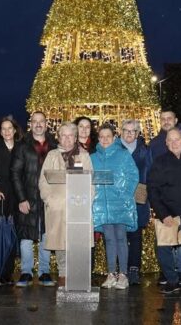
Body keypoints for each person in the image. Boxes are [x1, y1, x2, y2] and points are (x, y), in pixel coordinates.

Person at [39, 122, 94, 287]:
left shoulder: (83, 156)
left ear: (75, 137)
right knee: (60, 243)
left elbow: (92, 181)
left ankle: (77, 274)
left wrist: (87, 201)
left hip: (78, 207)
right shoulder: (51, 155)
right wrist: (49, 199)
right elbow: (43, 180)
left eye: (71, 135)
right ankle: (63, 274)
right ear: (59, 137)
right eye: (64, 135)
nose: (67, 138)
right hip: (57, 207)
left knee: (76, 242)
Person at [147, 128, 181, 294]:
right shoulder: (159, 162)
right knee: (164, 248)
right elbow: (153, 190)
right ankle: (172, 280)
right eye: (169, 140)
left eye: (177, 139)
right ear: (166, 144)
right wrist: (163, 214)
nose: (173, 143)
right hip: (167, 213)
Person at [10, 111, 58, 287]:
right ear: (31, 124)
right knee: (26, 236)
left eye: (41, 121)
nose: (38, 124)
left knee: (46, 234)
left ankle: (44, 272)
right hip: (28, 197)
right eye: (35, 121)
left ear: (46, 124)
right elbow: (15, 173)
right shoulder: (22, 145)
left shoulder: (54, 145)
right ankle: (26, 272)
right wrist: (21, 199)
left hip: (48, 198)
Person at [92, 124, 138, 290]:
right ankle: (111, 273)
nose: (105, 140)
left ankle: (123, 274)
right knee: (109, 239)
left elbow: (133, 175)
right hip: (103, 206)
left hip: (120, 204)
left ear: (114, 138)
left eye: (108, 137)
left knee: (121, 238)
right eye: (102, 136)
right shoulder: (93, 158)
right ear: (98, 139)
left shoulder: (123, 155)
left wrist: (125, 194)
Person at [0, 116, 22, 285]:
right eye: (4, 129)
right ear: (0, 132)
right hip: (1, 196)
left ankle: (8, 271)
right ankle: (0, 272)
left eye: (10, 128)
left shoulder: (21, 148)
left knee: (14, 234)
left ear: (15, 130)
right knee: (1, 234)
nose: (7, 131)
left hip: (18, 196)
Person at [119, 119, 153, 285]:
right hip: (118, 199)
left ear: (138, 134)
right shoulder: (114, 149)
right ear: (121, 131)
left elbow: (151, 173)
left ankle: (133, 269)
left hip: (139, 199)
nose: (129, 133)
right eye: (126, 130)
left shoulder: (145, 151)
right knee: (119, 236)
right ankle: (121, 270)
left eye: (133, 131)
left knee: (136, 236)